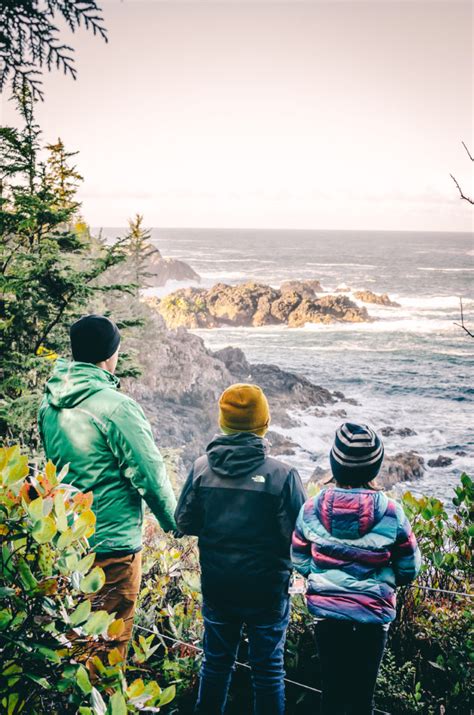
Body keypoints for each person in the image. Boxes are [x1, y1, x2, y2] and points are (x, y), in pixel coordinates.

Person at [38, 314, 177, 659]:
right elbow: (150, 474)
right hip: (112, 550)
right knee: (106, 653)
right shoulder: (117, 407)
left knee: (75, 646)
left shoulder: (50, 402)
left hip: (68, 542)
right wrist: (176, 521)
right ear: (109, 354)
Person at [175, 383, 306, 715]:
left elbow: (184, 522)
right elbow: (301, 537)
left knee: (216, 666)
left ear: (223, 422)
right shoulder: (283, 475)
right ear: (263, 423)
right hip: (267, 590)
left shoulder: (201, 469)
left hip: (219, 586)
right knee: (268, 671)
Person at [291, 422, 421, 715]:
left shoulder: (311, 509)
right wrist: (386, 579)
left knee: (332, 697)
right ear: (374, 468)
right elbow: (409, 567)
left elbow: (298, 559)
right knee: (362, 700)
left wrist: (323, 574)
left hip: (327, 616)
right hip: (372, 619)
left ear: (334, 464)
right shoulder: (391, 513)